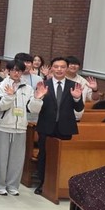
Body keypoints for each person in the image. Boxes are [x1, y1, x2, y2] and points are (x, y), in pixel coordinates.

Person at [0, 61, 46, 196]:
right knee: (0, 158)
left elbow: (33, 110)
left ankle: (13, 185)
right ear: (8, 71)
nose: (16, 73)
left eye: (19, 71)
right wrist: (10, 96)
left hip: (21, 127)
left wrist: (38, 99)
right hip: (3, 126)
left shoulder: (28, 88)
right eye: (14, 70)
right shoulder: (1, 85)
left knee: (17, 160)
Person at [34, 57, 85, 195]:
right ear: (51, 68)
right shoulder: (43, 84)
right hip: (46, 126)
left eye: (62, 67)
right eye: (56, 66)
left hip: (65, 127)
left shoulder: (74, 85)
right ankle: (43, 183)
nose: (59, 69)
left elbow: (79, 108)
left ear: (66, 68)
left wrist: (77, 98)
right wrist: (39, 97)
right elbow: (35, 107)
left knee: (62, 157)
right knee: (44, 155)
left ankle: (61, 184)